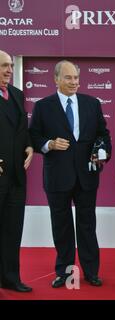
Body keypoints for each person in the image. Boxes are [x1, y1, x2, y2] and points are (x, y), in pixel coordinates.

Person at [29, 60, 111, 288]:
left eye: (76, 78)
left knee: (87, 225)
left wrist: (102, 153)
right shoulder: (43, 106)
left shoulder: (92, 103)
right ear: (56, 79)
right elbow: (33, 137)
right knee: (62, 226)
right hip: (57, 177)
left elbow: (103, 135)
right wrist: (50, 144)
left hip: (86, 176)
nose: (74, 82)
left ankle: (91, 272)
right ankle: (64, 272)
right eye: (68, 78)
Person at [0, 50, 33, 293]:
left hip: (16, 177)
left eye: (10, 65)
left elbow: (22, 130)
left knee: (13, 230)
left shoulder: (17, 95)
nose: (9, 70)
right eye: (4, 66)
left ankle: (10, 278)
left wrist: (30, 146)